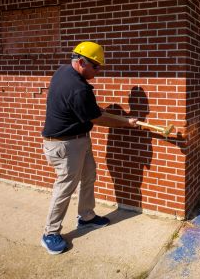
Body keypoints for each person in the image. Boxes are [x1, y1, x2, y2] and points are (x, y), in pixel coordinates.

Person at [40, 41, 139, 254]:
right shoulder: (78, 88)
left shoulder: (64, 71)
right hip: (64, 145)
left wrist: (120, 118)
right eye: (96, 66)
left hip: (79, 140)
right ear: (81, 62)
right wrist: (125, 122)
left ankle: (86, 216)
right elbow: (97, 118)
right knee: (64, 188)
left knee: (89, 177)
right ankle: (50, 233)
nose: (99, 70)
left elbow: (92, 111)